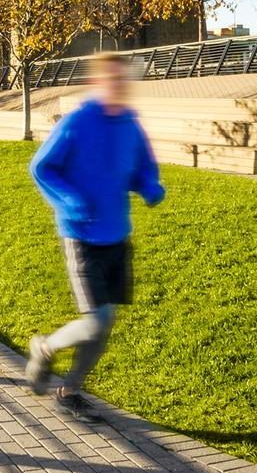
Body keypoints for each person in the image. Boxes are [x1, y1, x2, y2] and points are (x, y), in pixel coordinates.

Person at [26, 53, 165, 421]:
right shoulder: (78, 122)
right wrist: (71, 201)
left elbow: (141, 168)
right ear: (100, 83)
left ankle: (70, 390)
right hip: (81, 236)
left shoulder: (131, 125)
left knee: (103, 326)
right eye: (113, 80)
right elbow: (42, 168)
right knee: (96, 321)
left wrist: (149, 185)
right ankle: (45, 348)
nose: (120, 87)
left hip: (117, 237)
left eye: (125, 81)